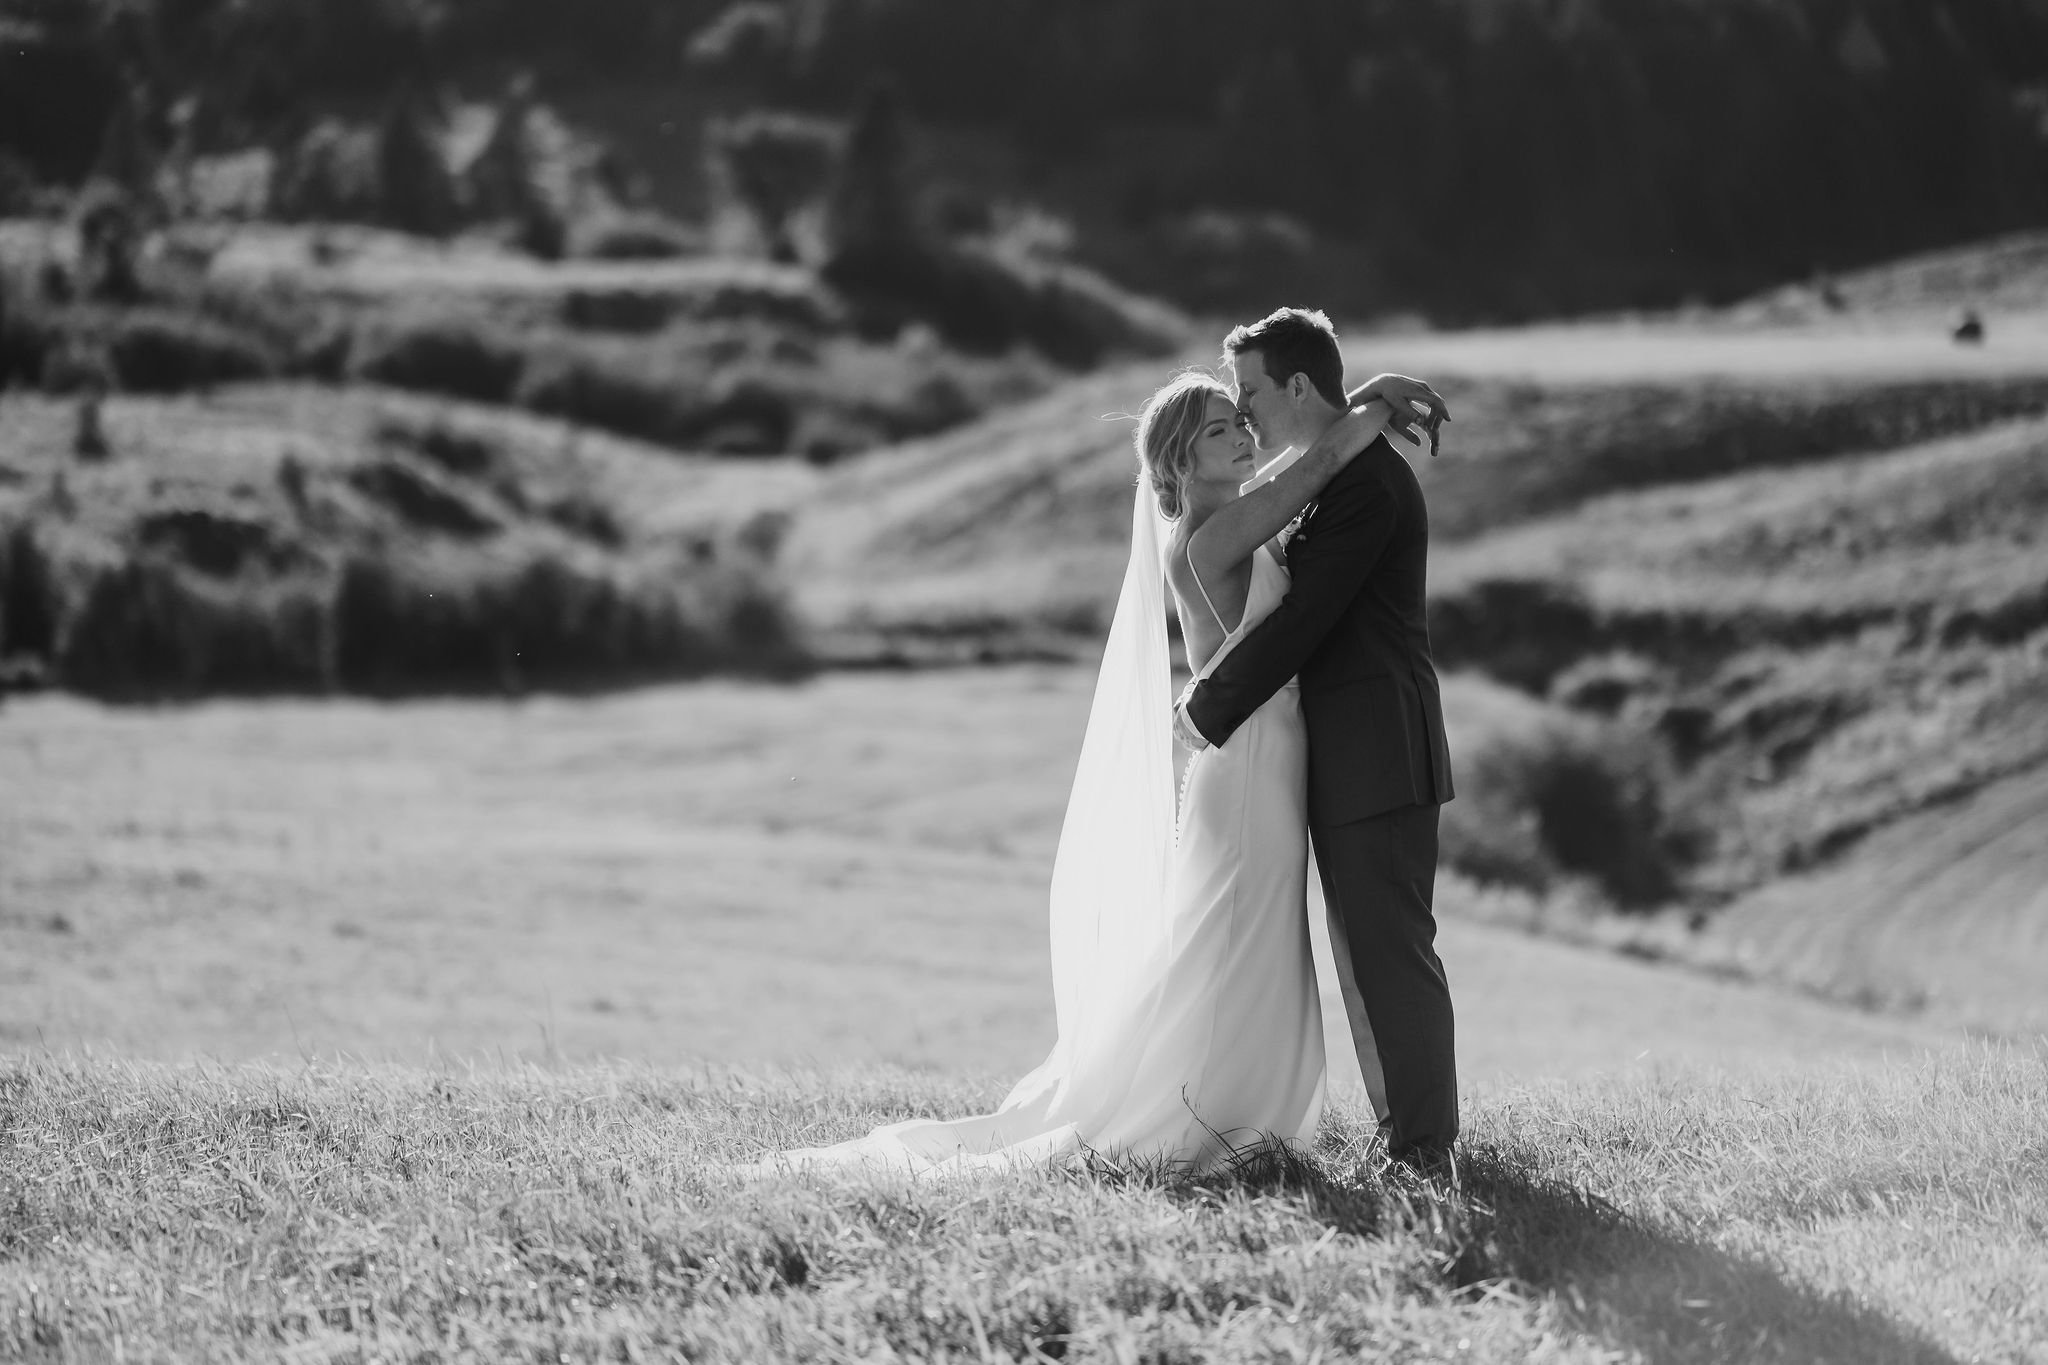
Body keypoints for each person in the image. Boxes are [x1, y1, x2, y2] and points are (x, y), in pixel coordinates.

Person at [740, 353, 1446, 1178]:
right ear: (1182, 462)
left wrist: (1359, 402)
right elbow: (1320, 462)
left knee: (1244, 936)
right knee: (1229, 937)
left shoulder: (1236, 515)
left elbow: (1299, 469)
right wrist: (1369, 402)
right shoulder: (1214, 534)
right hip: (1250, 758)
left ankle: (1233, 1103)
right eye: (1223, 428)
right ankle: (1198, 1110)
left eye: (1240, 416)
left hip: (1268, 749)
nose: (1245, 431)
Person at [1177, 307, 1458, 1172]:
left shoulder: (1368, 486)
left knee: (1388, 953)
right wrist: (1367, 398)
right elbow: (1315, 458)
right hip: (1347, 754)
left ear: (1297, 385)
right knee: (1363, 955)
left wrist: (1202, 712)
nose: (1244, 407)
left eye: (1251, 390)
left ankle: (1422, 1147)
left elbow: (1304, 620)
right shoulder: (1339, 470)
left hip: (1379, 748)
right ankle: (1404, 1135)